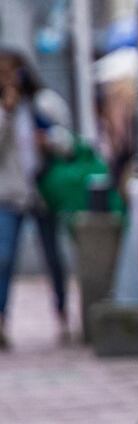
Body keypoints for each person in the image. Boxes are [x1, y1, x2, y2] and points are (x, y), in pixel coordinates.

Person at [0, 49, 41, 349]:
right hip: (5, 194)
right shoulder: (8, 109)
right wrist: (6, 112)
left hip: (31, 191)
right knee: (2, 258)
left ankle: (62, 308)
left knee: (10, 259)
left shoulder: (33, 105)